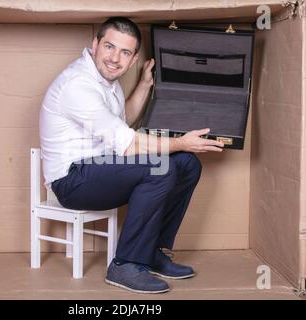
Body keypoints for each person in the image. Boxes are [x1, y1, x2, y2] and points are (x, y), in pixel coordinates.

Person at [39, 17, 224, 294]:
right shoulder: (78, 85)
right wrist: (181, 142)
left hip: (100, 168)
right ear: (95, 45)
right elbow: (128, 145)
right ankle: (125, 265)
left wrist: (144, 85)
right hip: (71, 180)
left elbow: (121, 121)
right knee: (160, 166)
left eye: (125, 52)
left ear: (133, 57)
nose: (115, 58)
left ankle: (152, 253)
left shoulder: (104, 79)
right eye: (109, 47)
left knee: (186, 164)